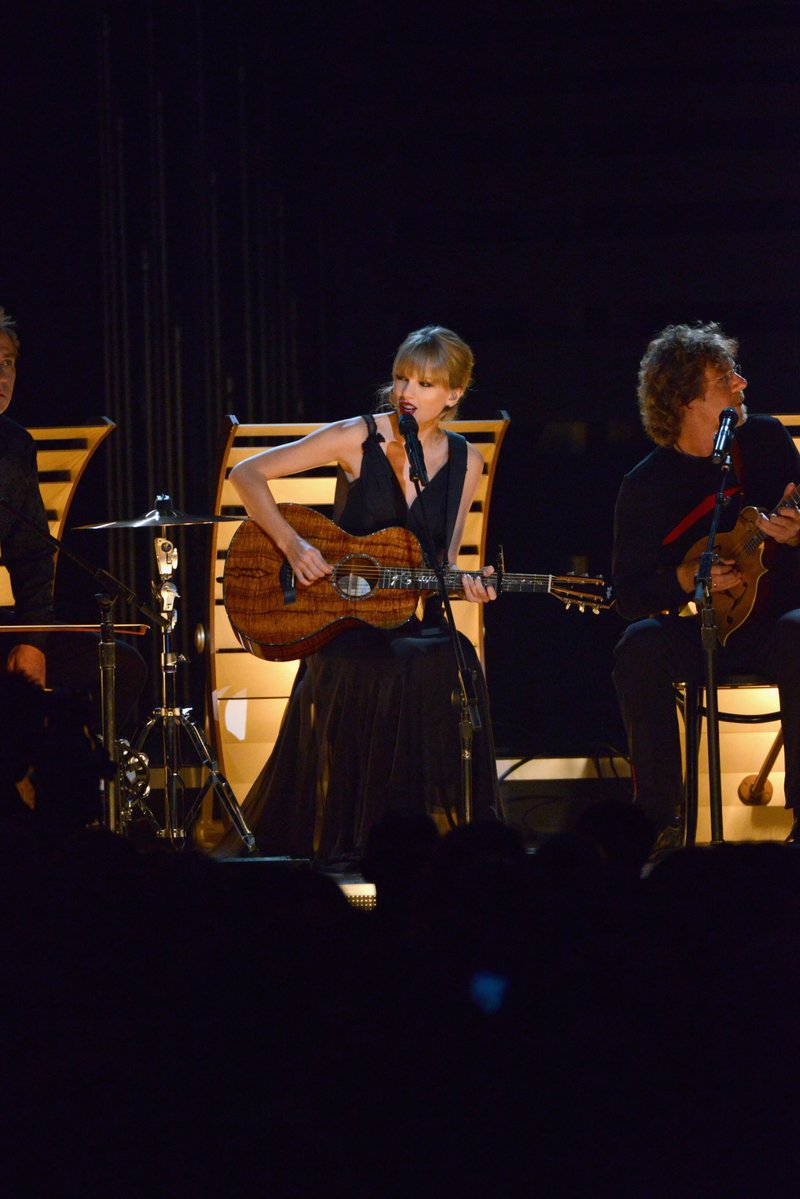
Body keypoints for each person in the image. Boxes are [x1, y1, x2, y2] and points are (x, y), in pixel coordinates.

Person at [222, 325, 501, 865]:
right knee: (388, 662)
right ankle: (362, 839)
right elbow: (247, 473)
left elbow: (439, 564)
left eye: (424, 384)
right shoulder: (356, 436)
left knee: (456, 654)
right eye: (402, 378)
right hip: (341, 619)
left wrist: (466, 585)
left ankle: (424, 839)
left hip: (404, 621)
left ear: (454, 395)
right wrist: (294, 545)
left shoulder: (466, 460)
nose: (407, 393)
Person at [612, 321, 800, 853]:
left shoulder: (765, 439)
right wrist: (683, 578)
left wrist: (795, 533)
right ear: (686, 401)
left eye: (735, 373)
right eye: (725, 379)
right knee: (639, 646)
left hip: (776, 624)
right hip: (703, 633)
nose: (742, 383)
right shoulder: (645, 484)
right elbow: (628, 593)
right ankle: (658, 819)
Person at [0, 306, 146, 733]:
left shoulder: (14, 445)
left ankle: (68, 774)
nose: (3, 376)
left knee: (119, 666)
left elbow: (32, 557)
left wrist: (33, 642)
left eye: (7, 362)